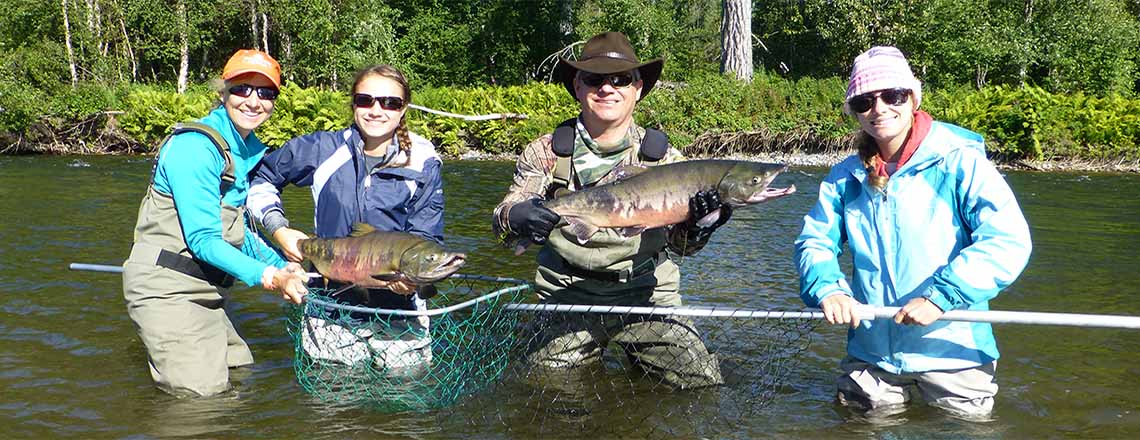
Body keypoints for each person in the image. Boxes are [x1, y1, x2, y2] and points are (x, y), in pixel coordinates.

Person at [794, 46, 1033, 418]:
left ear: (913, 97)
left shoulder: (959, 161)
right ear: (853, 111)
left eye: (892, 95)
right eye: (864, 101)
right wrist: (828, 288)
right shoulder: (845, 177)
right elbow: (815, 242)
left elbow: (1007, 240)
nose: (879, 109)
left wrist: (941, 297)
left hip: (954, 352)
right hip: (871, 357)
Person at [492, 32, 731, 389]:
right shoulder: (545, 152)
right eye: (595, 79)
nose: (607, 88)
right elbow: (504, 217)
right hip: (567, 295)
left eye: (620, 79)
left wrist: (699, 229)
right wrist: (515, 217)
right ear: (577, 85)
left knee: (699, 384)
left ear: (638, 88)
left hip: (646, 295)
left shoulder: (664, 160)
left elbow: (681, 248)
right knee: (539, 386)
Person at [122, 49, 309, 398]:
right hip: (167, 288)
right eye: (242, 89)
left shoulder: (243, 151)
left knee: (240, 372)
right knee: (202, 402)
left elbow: (237, 231)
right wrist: (270, 277)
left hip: (206, 287)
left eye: (266, 93)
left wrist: (285, 266)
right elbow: (204, 240)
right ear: (223, 92)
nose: (254, 101)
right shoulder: (195, 148)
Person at [247, 64, 444, 370]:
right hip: (330, 306)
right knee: (336, 406)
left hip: (400, 311)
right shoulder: (321, 148)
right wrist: (278, 228)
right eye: (366, 100)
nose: (376, 110)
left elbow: (428, 239)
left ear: (403, 109)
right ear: (353, 103)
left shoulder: (423, 160)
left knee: (405, 406)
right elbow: (260, 179)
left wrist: (414, 282)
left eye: (389, 103)